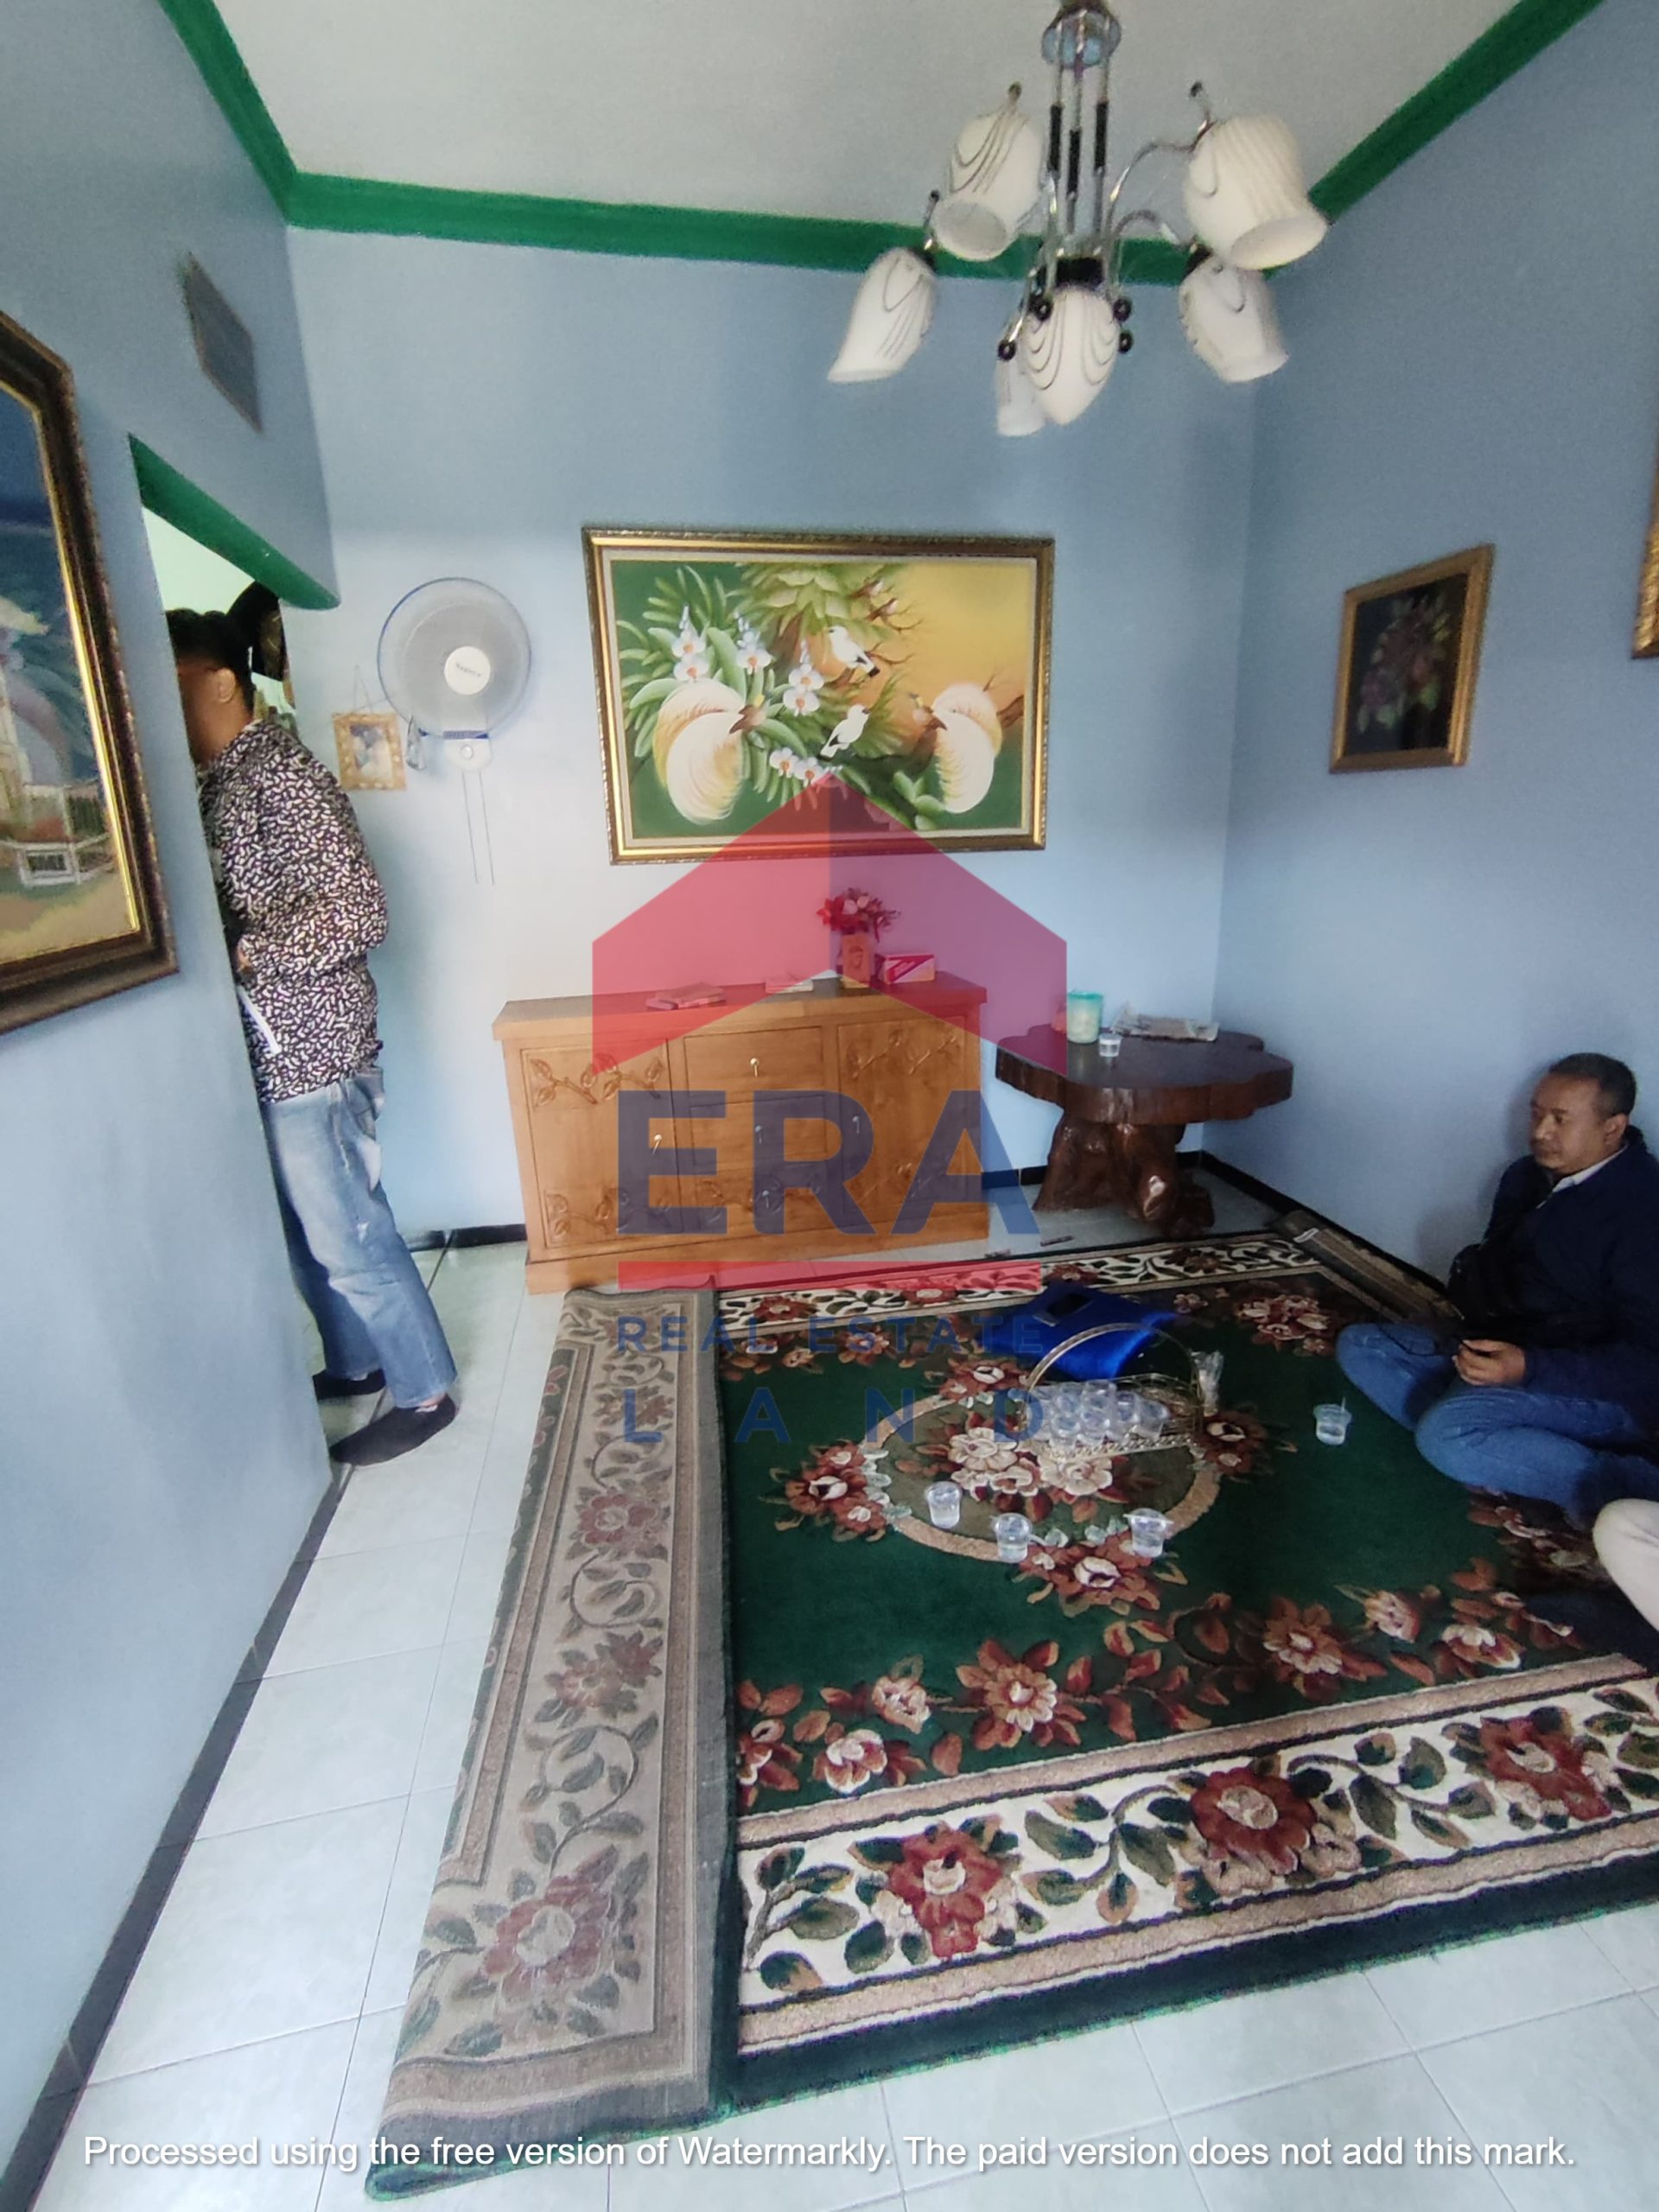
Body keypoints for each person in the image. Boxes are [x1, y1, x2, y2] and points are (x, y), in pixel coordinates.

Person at [168, 606, 457, 1465]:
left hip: (314, 1055)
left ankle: (425, 1392)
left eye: (172, 683)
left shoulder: (281, 776)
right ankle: (358, 1361)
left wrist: (247, 949)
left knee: (349, 1234)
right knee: (307, 1233)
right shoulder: (223, 780)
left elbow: (361, 909)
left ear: (223, 682)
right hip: (275, 1055)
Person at [1336, 1054, 1659, 1523]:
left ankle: (1626, 1486)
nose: (1541, 1131)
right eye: (1536, 1114)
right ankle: (1506, 1444)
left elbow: (1647, 1362)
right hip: (1509, 1346)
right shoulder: (1525, 1177)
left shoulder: (1643, 1213)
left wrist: (1528, 1366)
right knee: (1361, 1348)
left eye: (1560, 1119)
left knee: (1447, 1435)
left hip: (1600, 1387)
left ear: (1613, 1127)